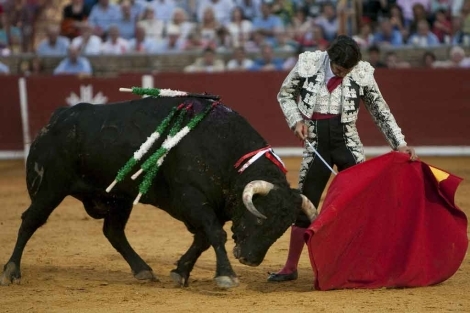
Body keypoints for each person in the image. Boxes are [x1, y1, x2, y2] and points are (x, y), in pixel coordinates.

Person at [267, 35, 417, 282]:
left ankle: (366, 262)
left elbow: (380, 110)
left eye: (348, 70)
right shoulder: (309, 63)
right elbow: (285, 95)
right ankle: (290, 266)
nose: (344, 74)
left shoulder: (361, 72)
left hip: (347, 142)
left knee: (364, 203)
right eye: (339, 69)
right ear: (330, 57)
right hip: (315, 143)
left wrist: (399, 143)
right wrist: (296, 120)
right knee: (305, 203)